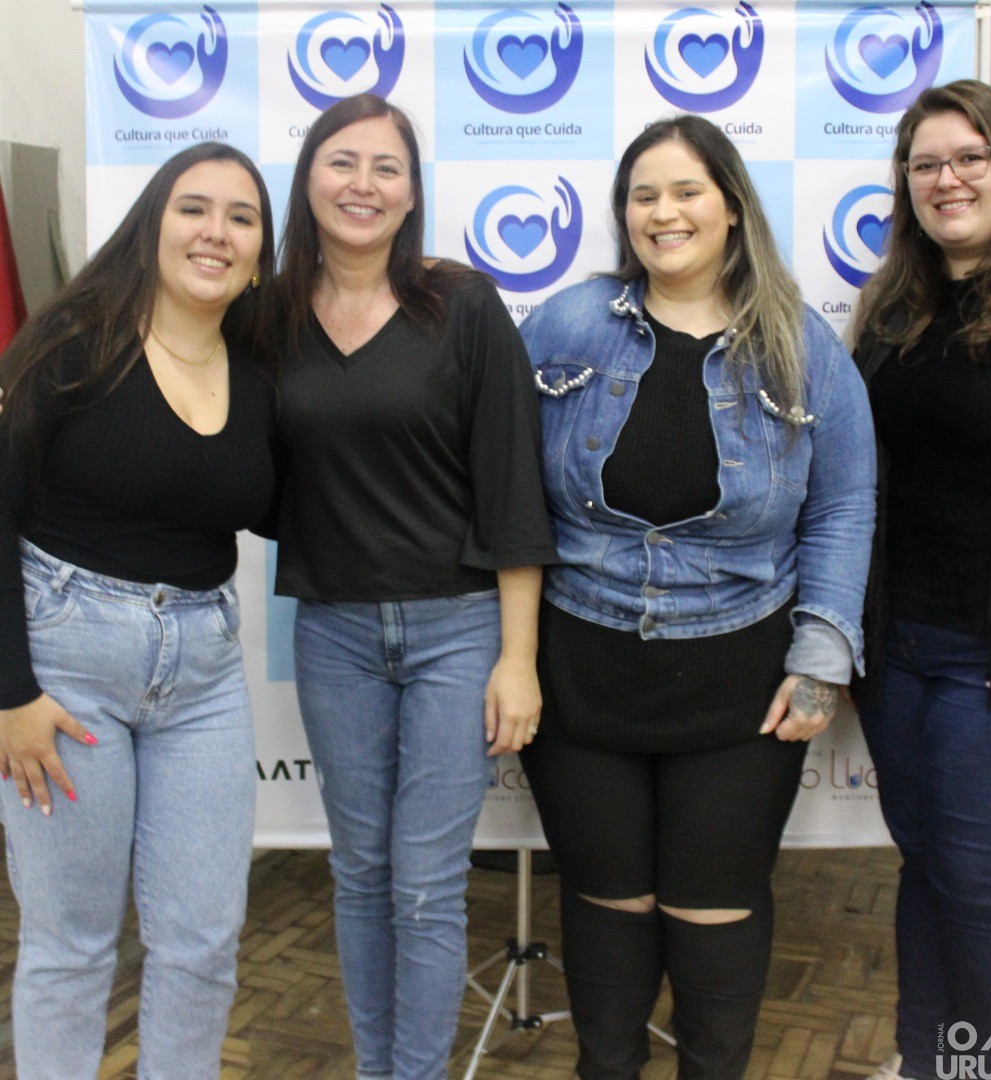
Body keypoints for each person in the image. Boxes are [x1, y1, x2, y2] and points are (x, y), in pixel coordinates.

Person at [516, 114, 877, 1080]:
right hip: (581, 672)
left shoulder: (800, 344)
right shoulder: (565, 322)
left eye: (685, 192)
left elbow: (844, 508)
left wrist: (820, 660)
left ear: (730, 206)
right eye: (643, 195)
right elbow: (502, 489)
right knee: (607, 902)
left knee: (711, 908)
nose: (663, 212)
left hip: (739, 683)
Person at [271, 94, 555, 1080]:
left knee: (426, 886)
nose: (362, 184)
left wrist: (518, 657)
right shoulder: (270, 319)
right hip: (334, 635)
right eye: (342, 162)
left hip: (457, 631)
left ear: (414, 190)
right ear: (308, 178)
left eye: (386, 167)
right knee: (359, 873)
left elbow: (514, 487)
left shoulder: (461, 304)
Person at [0, 142, 278, 1079]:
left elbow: (283, 504)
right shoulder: (70, 343)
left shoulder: (261, 372)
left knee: (203, 942)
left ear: (259, 250)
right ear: (153, 222)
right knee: (71, 944)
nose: (216, 232)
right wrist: (9, 693)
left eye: (241, 218)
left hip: (201, 669)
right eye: (194, 208)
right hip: (64, 666)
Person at [848, 79, 991, 1080]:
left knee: (984, 885)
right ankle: (924, 1062)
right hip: (898, 649)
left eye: (969, 157)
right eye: (927, 163)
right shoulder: (891, 302)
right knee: (930, 870)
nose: (948, 179)